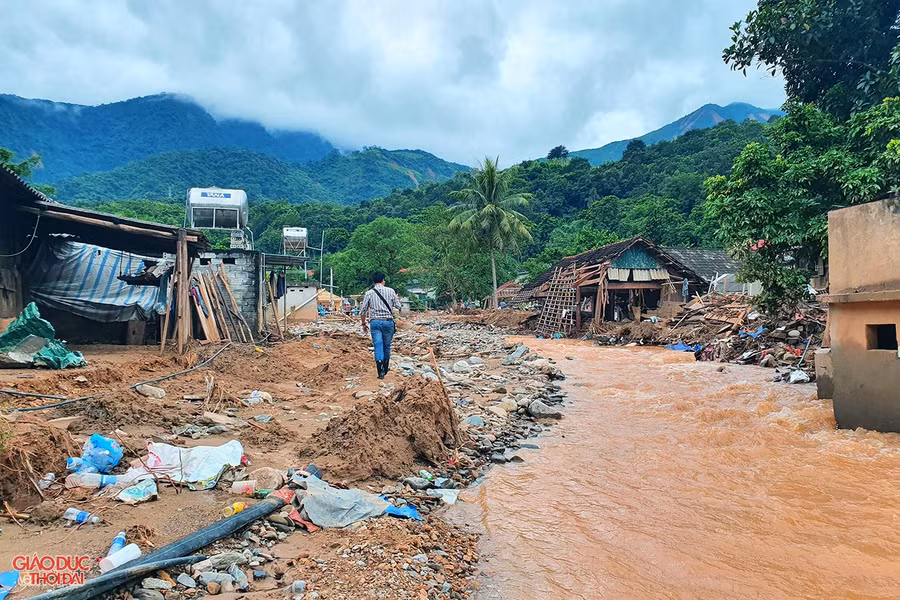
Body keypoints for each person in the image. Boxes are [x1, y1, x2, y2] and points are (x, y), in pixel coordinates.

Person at [359, 271, 402, 379]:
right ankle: (386, 368)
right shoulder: (391, 291)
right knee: (387, 346)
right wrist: (397, 300)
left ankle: (380, 372)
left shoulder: (369, 293)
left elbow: (363, 311)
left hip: (375, 322)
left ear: (373, 281)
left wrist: (364, 324)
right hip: (388, 322)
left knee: (378, 346)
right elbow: (398, 306)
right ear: (383, 280)